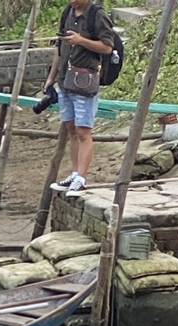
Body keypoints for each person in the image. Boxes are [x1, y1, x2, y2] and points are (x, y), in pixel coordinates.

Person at [42, 0, 116, 198]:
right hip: (65, 80)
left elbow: (107, 47)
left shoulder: (97, 15)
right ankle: (75, 173)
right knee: (71, 127)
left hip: (85, 79)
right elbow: (59, 47)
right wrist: (51, 78)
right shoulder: (67, 12)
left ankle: (82, 178)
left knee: (84, 130)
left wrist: (81, 40)